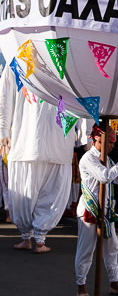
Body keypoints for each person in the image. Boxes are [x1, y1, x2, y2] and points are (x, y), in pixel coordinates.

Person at [0, 68, 76, 253]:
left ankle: (32, 238)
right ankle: (35, 239)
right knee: (27, 192)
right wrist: (3, 132)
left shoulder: (65, 58)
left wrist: (87, 131)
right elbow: (4, 99)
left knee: (41, 191)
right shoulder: (15, 60)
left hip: (50, 142)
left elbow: (82, 95)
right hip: (29, 141)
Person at [75, 125, 118, 296]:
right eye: (110, 142)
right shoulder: (88, 158)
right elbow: (105, 176)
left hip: (106, 211)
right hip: (89, 211)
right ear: (97, 140)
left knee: (112, 248)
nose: (112, 146)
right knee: (86, 251)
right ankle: (81, 288)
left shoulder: (107, 159)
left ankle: (115, 283)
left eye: (113, 143)